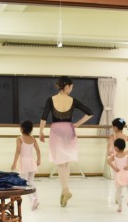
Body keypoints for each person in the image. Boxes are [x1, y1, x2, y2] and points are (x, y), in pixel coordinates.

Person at [38, 76, 93, 207]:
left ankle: (65, 190)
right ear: (67, 86)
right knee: (66, 162)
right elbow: (90, 112)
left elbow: (44, 117)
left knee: (60, 162)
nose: (71, 89)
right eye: (71, 87)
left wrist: (41, 131)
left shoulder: (51, 99)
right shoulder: (72, 100)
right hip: (69, 130)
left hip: (56, 130)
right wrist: (77, 124)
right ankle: (65, 190)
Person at [10, 119, 41, 211]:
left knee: (23, 184)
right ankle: (36, 200)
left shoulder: (20, 139)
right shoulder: (33, 139)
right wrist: (39, 159)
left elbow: (18, 151)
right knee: (30, 183)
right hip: (31, 162)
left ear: (22, 128)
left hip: (24, 162)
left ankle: (33, 199)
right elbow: (38, 150)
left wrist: (14, 162)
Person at [108, 138, 128, 212]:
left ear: (117, 148)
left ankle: (120, 207)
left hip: (119, 175)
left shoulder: (115, 156)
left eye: (114, 146)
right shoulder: (126, 154)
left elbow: (109, 161)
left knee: (119, 191)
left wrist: (115, 168)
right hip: (127, 174)